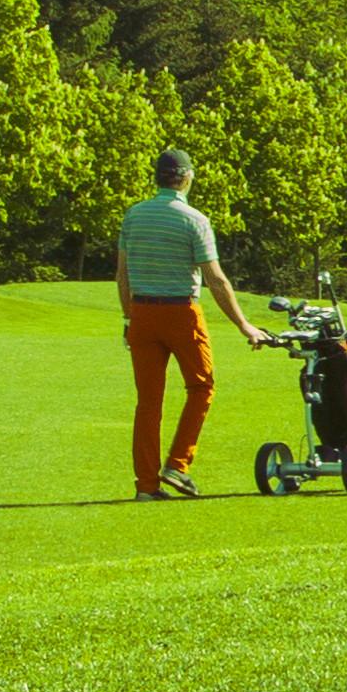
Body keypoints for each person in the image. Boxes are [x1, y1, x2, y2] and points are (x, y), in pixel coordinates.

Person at [114, 143, 282, 501]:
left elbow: (122, 274)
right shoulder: (195, 220)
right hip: (181, 313)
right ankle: (177, 464)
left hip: (142, 312)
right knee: (202, 387)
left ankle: (146, 486)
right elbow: (216, 280)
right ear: (186, 178)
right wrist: (245, 326)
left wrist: (129, 317)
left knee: (148, 402)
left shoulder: (134, 215)